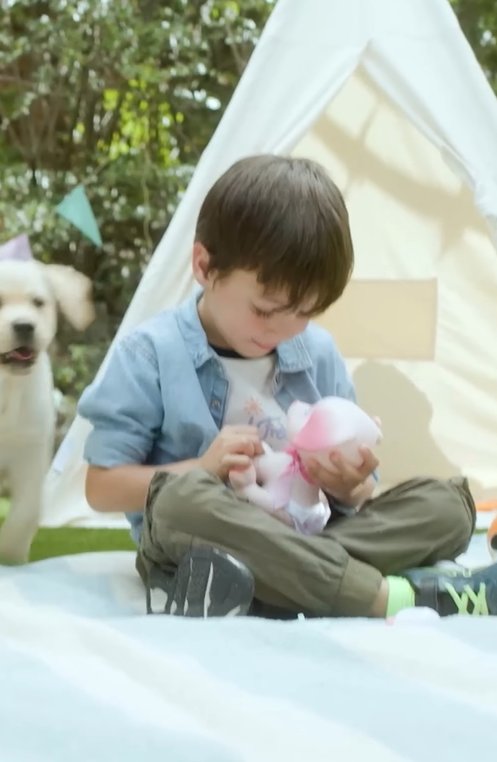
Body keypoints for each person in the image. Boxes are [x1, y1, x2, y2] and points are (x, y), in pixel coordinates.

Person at [78, 154, 486, 620]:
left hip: (305, 538)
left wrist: (350, 486)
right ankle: (384, 597)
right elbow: (100, 488)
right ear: (204, 265)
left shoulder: (317, 352)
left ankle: (287, 583)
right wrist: (203, 468)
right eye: (267, 310)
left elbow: (358, 494)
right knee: (178, 501)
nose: (284, 330)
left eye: (306, 312)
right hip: (206, 538)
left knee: (449, 505)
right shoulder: (149, 354)